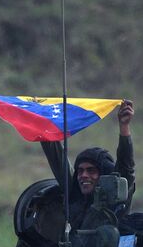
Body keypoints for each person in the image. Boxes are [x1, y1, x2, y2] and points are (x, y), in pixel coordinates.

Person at [39, 98, 135, 231]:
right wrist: (43, 124)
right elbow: (57, 159)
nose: (83, 175)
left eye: (91, 171)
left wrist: (124, 127)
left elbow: (126, 166)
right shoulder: (75, 193)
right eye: (80, 171)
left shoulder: (115, 197)